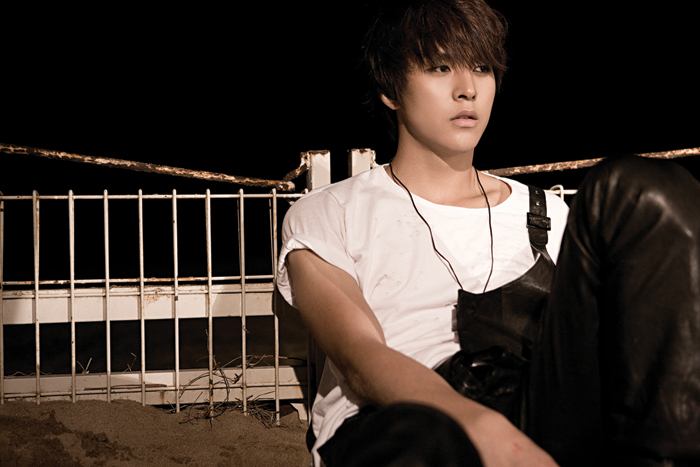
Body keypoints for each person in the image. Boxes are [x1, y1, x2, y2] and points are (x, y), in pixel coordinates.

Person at [276, 0, 700, 466]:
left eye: (481, 68)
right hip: (396, 419)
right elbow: (359, 354)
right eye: (440, 68)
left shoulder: (546, 211)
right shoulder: (331, 211)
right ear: (390, 90)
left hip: (539, 400)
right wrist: (483, 427)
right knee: (424, 443)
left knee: (640, 187)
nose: (468, 90)